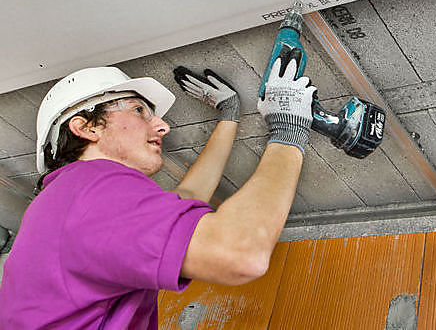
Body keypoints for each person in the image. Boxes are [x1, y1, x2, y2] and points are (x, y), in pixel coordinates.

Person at [0, 50, 316, 329]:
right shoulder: (88, 191)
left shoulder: (65, 199)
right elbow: (239, 252)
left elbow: (184, 203)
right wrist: (288, 130)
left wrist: (229, 117)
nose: (163, 126)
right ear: (86, 127)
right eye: (139, 110)